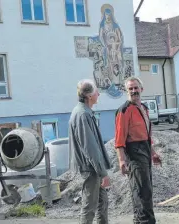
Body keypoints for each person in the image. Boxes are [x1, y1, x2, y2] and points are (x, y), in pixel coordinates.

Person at [114, 77, 161, 224]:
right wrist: (122, 160)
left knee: (146, 191)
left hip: (145, 150)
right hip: (134, 153)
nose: (134, 91)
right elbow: (119, 139)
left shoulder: (144, 108)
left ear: (142, 89)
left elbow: (146, 135)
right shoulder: (124, 110)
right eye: (130, 89)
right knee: (141, 192)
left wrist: (153, 153)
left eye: (136, 88)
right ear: (127, 91)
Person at [68, 79, 112, 224]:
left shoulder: (84, 112)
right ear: (89, 96)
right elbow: (90, 148)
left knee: (102, 203)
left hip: (92, 168)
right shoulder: (82, 115)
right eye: (96, 91)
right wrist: (102, 172)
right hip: (90, 169)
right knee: (90, 206)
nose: (98, 94)